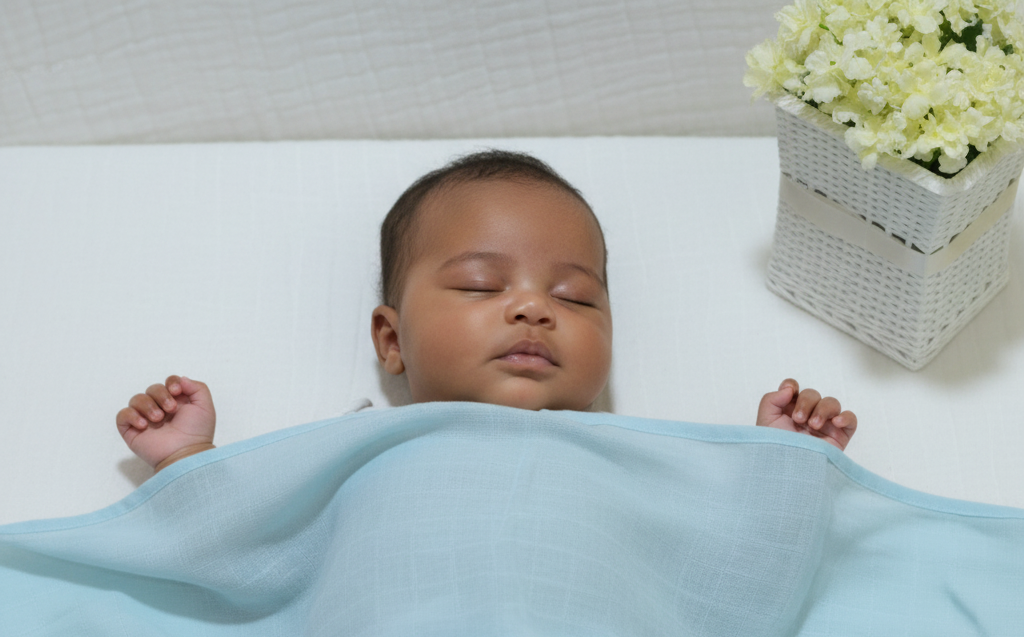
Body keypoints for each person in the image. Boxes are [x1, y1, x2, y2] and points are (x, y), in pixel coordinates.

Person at [115, 150, 857, 472]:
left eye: (575, 297)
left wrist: (785, 466)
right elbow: (256, 559)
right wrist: (187, 459)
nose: (535, 308)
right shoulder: (352, 453)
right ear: (391, 337)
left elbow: (730, 581)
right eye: (479, 285)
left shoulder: (644, 457)